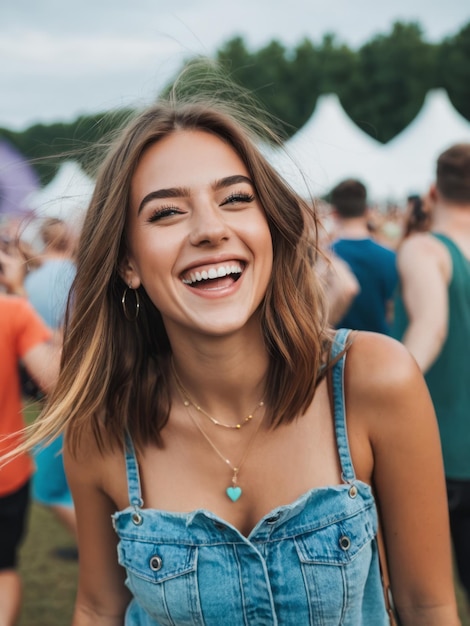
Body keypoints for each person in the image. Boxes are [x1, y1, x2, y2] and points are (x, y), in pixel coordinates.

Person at [17, 94, 460, 625]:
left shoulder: (372, 379)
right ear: (129, 263)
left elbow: (426, 607)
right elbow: (98, 607)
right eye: (167, 212)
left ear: (269, 228)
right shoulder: (103, 428)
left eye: (235, 199)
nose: (209, 229)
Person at [392, 143, 470, 610]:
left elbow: (431, 326)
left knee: (424, 601)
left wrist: (380, 384)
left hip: (441, 454)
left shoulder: (425, 249)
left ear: (434, 190)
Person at [0, 244, 60, 626]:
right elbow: (56, 381)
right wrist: (18, 290)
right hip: (7, 473)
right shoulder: (12, 312)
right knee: (3, 568)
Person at [24, 217, 77, 543]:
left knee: (47, 484)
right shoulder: (78, 273)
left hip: (52, 383)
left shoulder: (30, 281)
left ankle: (98, 548)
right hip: (85, 377)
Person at [329, 179, 398, 334]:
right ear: (368, 211)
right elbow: (393, 311)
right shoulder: (390, 256)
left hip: (338, 350)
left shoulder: (324, 257)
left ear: (334, 213)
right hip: (382, 345)